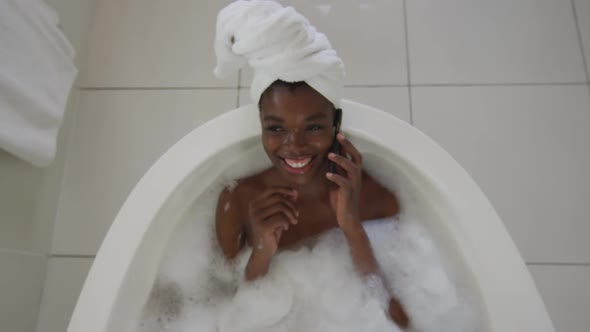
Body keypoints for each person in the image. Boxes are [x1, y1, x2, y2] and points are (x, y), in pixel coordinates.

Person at [213, 1, 409, 328]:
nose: (294, 146)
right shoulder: (238, 204)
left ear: (337, 123)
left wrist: (351, 226)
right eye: (276, 128)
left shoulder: (373, 197)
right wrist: (261, 251)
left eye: (314, 126)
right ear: (260, 125)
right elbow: (229, 315)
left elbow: (399, 323)